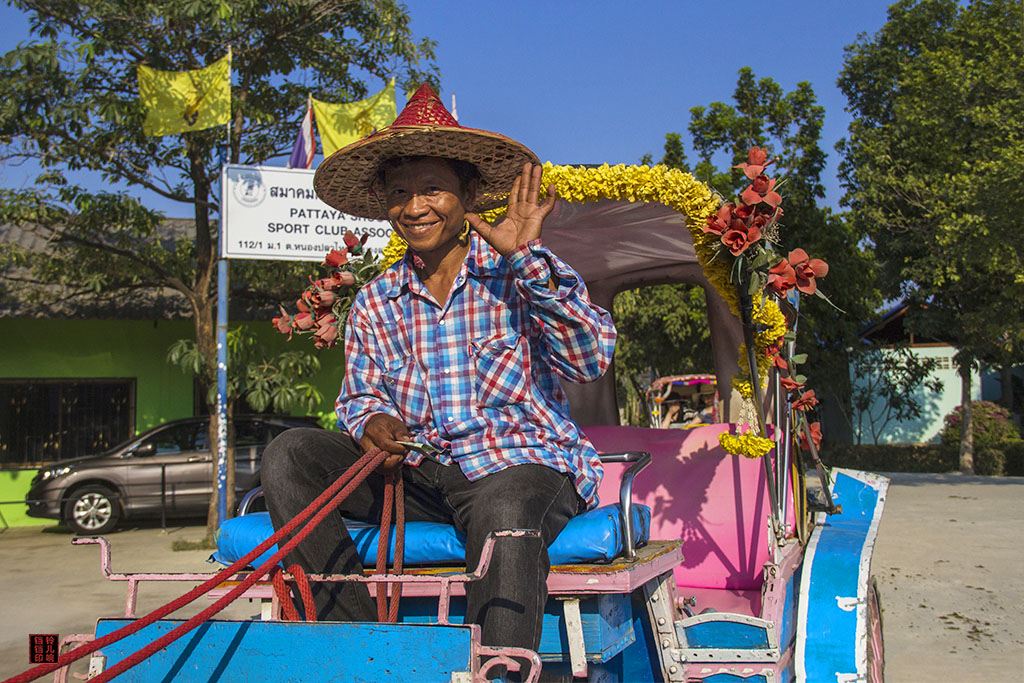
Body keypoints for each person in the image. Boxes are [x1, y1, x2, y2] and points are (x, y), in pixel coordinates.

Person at [260, 85, 616, 672]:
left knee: (503, 508)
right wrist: (373, 420)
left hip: (521, 468)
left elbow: (589, 359)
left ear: (470, 194)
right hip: (421, 476)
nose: (415, 206)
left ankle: (498, 671)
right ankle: (359, 651)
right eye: (400, 192)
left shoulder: (520, 275)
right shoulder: (376, 301)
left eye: (432, 189)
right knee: (290, 454)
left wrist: (526, 255)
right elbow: (360, 397)